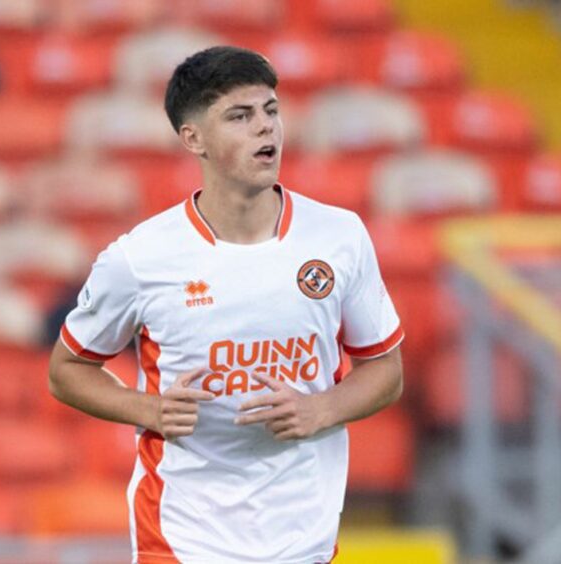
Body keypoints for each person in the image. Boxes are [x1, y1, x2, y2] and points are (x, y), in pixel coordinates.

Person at [48, 45, 404, 564]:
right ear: (194, 139)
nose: (266, 128)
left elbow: (385, 370)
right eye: (240, 116)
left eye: (271, 111)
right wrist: (148, 408)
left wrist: (318, 408)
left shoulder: (339, 236)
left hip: (303, 536)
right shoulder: (140, 258)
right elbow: (67, 370)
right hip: (182, 536)